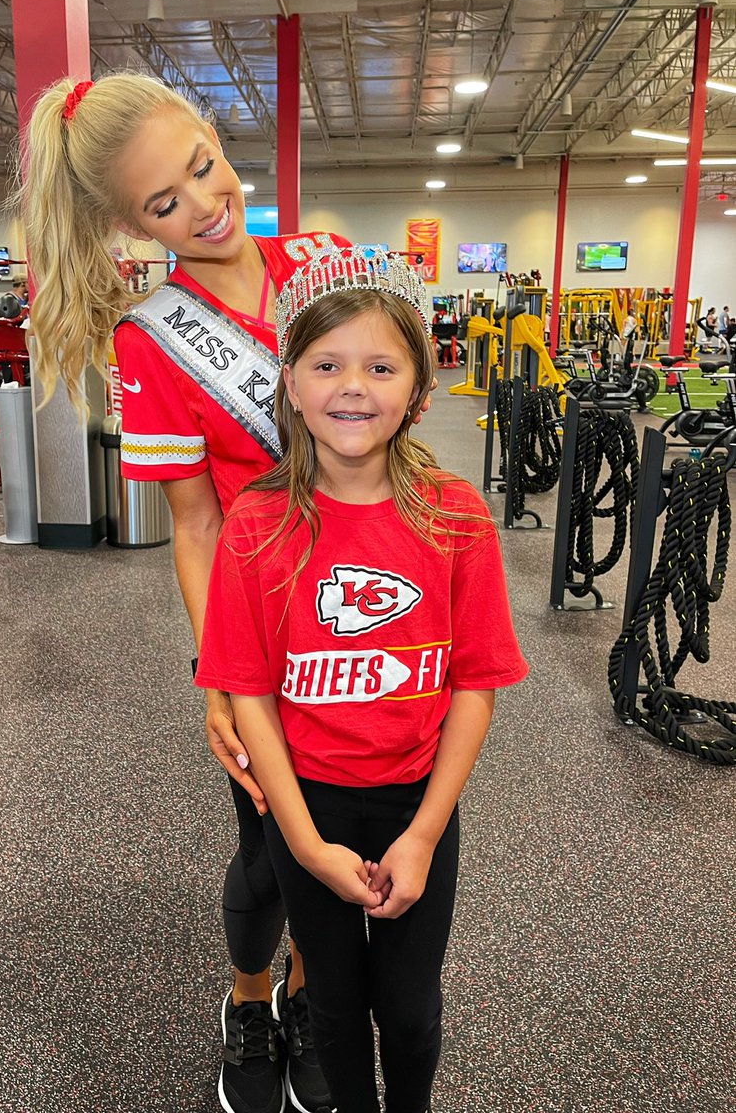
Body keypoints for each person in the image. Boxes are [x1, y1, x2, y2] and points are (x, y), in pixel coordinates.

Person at [16, 70, 382, 1113]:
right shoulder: (152, 340)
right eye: (165, 207)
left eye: (203, 168)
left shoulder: (325, 262)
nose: (206, 206)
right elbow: (196, 524)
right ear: (130, 226)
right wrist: (220, 680)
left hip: (372, 615)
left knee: (350, 834)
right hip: (259, 635)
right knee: (271, 852)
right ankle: (249, 999)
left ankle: (313, 998)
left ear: (220, 143)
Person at [196, 246, 528, 1113]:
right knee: (336, 1008)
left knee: (410, 1012)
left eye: (381, 366)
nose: (353, 386)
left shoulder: (457, 518)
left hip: (417, 803)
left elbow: (473, 686)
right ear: (292, 385)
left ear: (418, 389)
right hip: (308, 805)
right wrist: (302, 844)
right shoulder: (257, 526)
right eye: (327, 363)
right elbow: (253, 699)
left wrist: (422, 834)